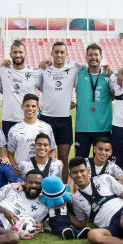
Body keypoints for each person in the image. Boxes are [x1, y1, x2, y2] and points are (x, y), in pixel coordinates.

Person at [38, 41, 84, 172]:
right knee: (45, 156)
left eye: (62, 52)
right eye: (56, 52)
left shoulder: (74, 67)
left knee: (63, 157)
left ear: (67, 54)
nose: (59, 54)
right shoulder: (43, 69)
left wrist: (110, 67)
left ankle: (64, 189)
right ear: (51, 53)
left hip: (64, 119)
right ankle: (46, 187)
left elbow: (94, 65)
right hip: (46, 119)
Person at [74, 43, 113, 159]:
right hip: (82, 128)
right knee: (80, 162)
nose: (93, 57)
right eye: (90, 55)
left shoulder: (110, 75)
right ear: (86, 57)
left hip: (103, 128)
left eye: (96, 55)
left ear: (101, 57)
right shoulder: (78, 74)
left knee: (102, 162)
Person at [0, 40, 41, 138]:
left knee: (28, 152)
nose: (18, 55)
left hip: (29, 120)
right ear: (10, 54)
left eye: (20, 52)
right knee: (7, 152)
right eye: (15, 52)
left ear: (25, 53)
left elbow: (48, 89)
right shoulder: (3, 70)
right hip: (8, 120)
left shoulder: (35, 73)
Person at [6, 94, 55, 170]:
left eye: (33, 106)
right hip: (23, 173)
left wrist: (49, 166)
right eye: (27, 106)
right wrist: (15, 167)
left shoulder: (47, 127)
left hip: (43, 171)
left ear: (38, 108)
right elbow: (10, 153)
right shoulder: (14, 130)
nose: (30, 108)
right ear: (22, 107)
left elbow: (52, 150)